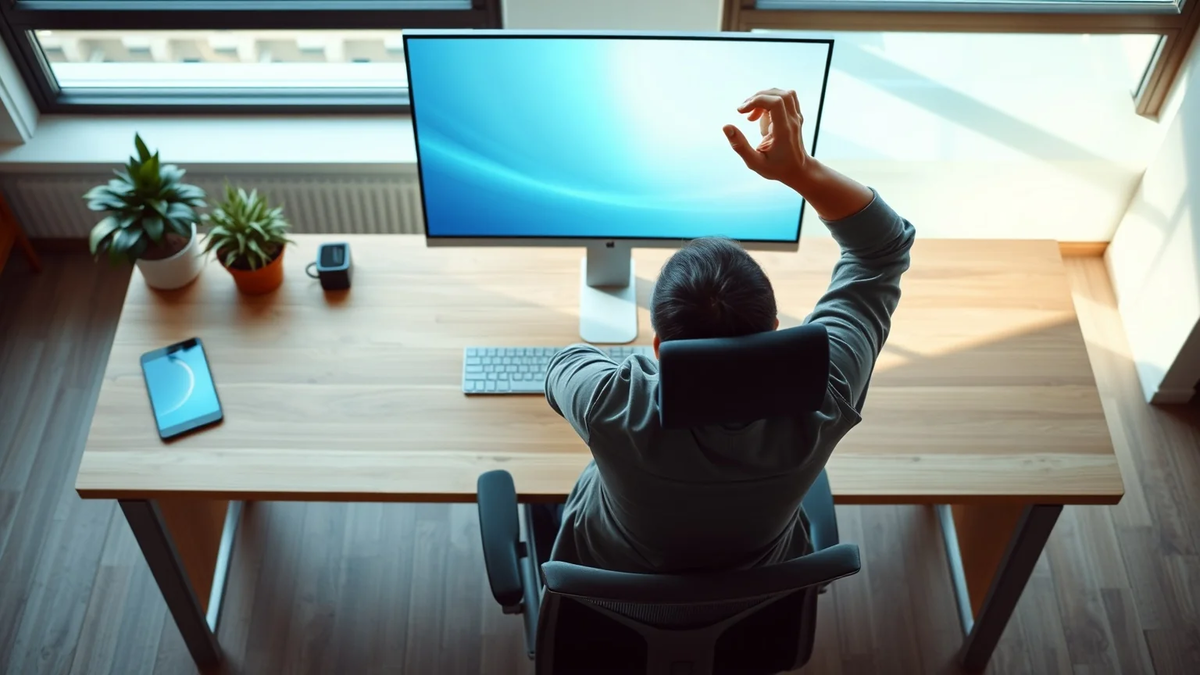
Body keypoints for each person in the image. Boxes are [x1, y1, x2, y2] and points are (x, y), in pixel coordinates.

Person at [543, 88, 916, 573]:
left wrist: (642, 373)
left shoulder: (614, 405)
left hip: (610, 584)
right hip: (755, 605)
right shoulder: (827, 391)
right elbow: (881, 251)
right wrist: (800, 171)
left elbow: (564, 366)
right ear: (775, 330)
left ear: (659, 347)